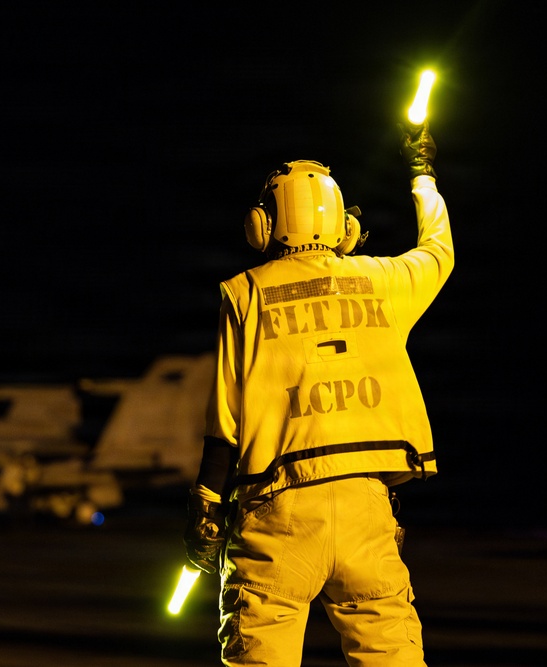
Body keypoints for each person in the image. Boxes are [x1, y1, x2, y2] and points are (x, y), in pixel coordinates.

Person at [183, 120, 452, 666]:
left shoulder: (245, 295)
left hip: (279, 512)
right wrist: (422, 176)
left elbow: (225, 424)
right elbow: (438, 250)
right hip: (367, 511)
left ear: (263, 226)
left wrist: (207, 509)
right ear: (343, 226)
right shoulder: (382, 280)